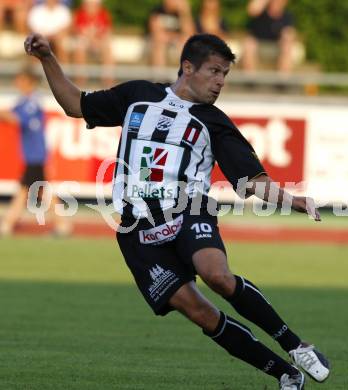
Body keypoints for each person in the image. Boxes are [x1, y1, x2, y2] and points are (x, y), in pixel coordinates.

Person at [24, 32, 330, 389]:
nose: (219, 82)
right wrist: (48, 58)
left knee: (216, 274)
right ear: (188, 67)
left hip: (189, 211)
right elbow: (75, 104)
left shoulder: (213, 121)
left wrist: (290, 199)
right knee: (201, 313)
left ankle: (296, 346)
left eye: (225, 75)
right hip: (137, 230)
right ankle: (286, 374)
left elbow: (250, 181)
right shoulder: (138, 96)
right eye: (214, 71)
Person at [0, 66, 69, 236]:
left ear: (28, 81)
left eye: (20, 79)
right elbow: (11, 115)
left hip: (36, 155)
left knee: (26, 190)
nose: (17, 82)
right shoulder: (25, 101)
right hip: (33, 155)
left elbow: (17, 120)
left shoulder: (32, 102)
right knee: (40, 190)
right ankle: (62, 225)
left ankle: (7, 224)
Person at [242, 0, 296, 73]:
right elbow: (252, 10)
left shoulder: (287, 16)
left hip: (277, 47)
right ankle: (250, 81)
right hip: (257, 46)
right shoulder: (260, 13)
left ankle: (283, 81)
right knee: (249, 43)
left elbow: (289, 33)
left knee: (287, 45)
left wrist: (287, 36)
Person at [72, 0, 114, 87]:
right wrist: (92, 40)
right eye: (89, 5)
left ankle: (108, 79)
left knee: (108, 48)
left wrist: (96, 41)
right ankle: (80, 78)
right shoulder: (80, 14)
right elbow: (77, 31)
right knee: (79, 48)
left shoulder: (104, 14)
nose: (91, 7)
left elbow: (108, 31)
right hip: (85, 40)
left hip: (99, 41)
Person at [148, 0, 194, 67]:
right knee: (160, 44)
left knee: (187, 43)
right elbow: (156, 32)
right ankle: (159, 75)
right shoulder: (157, 11)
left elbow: (189, 34)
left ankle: (183, 75)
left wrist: (185, 13)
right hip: (160, 42)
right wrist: (174, 37)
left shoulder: (180, 14)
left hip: (175, 41)